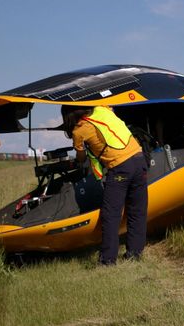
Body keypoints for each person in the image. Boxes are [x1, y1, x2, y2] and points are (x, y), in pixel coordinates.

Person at [62, 105, 148, 265]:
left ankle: (107, 260)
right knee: (137, 210)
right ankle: (135, 254)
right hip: (139, 158)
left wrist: (85, 150)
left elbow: (81, 159)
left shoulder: (79, 130)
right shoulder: (102, 109)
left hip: (121, 167)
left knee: (111, 215)